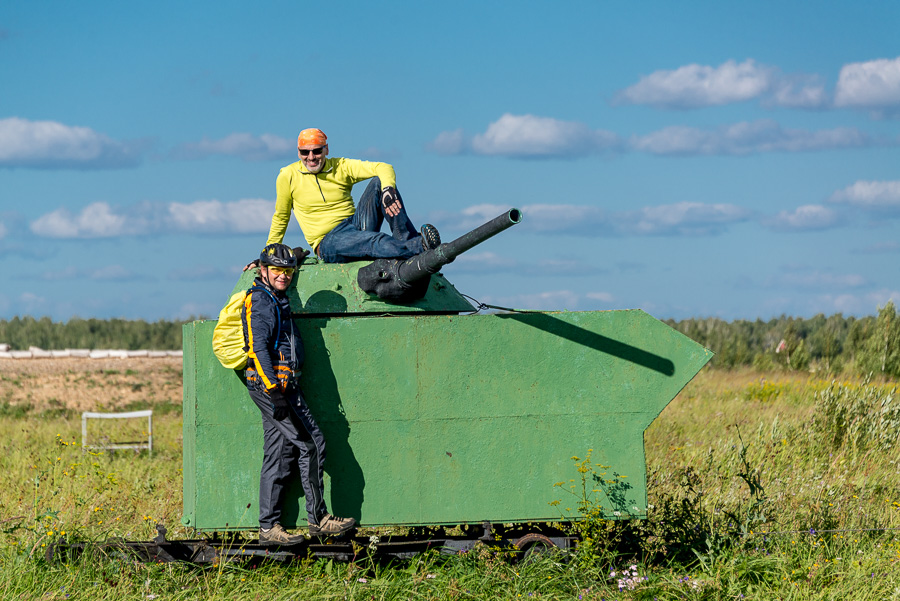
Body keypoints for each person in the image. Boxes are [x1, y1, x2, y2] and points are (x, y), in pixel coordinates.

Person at [241, 243, 356, 543]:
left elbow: (287, 263)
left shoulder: (276, 293)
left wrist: (296, 256)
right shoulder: (261, 301)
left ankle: (269, 528)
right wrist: (274, 393)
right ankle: (318, 519)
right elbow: (258, 349)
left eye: (289, 271)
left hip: (283, 386)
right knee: (312, 444)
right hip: (274, 389)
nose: (284, 276)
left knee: (279, 454)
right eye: (277, 270)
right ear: (262, 270)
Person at [265, 128, 440, 263]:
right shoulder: (287, 176)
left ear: (326, 149)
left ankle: (407, 239)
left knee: (380, 184)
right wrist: (268, 253)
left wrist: (388, 190)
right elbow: (281, 217)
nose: (311, 157)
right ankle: (421, 247)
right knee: (373, 240)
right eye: (305, 152)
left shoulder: (340, 166)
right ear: (298, 153)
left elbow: (383, 167)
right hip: (328, 241)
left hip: (355, 225)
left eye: (317, 151)